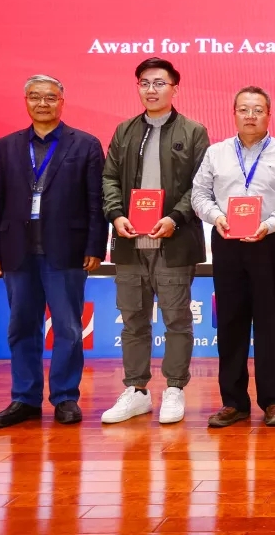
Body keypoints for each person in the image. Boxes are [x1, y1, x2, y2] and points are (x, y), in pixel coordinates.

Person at [0, 75, 106, 428]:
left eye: (50, 97)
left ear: (62, 102)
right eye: (35, 97)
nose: (42, 103)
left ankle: (65, 397)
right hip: (16, 251)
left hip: (67, 250)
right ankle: (24, 398)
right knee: (22, 326)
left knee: (68, 328)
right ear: (26, 101)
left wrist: (95, 246)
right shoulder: (6, 146)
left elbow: (95, 202)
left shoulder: (85, 144)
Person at [100, 58, 210, 425]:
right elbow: (109, 178)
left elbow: (200, 185)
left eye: (159, 83)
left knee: (176, 319)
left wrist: (174, 217)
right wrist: (116, 214)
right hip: (130, 242)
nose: (151, 89)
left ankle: (175, 389)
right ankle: (136, 391)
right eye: (145, 83)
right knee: (133, 320)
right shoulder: (125, 131)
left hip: (174, 242)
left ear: (174, 88)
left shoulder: (193, 132)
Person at [192, 87, 275, 427]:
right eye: (244, 109)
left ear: (269, 115)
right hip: (227, 241)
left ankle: (274, 400)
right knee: (230, 322)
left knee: (271, 322)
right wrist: (217, 217)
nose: (250, 116)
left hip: (268, 242)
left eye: (258, 110)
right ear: (234, 114)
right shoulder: (216, 153)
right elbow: (199, 195)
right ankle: (234, 402)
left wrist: (268, 224)